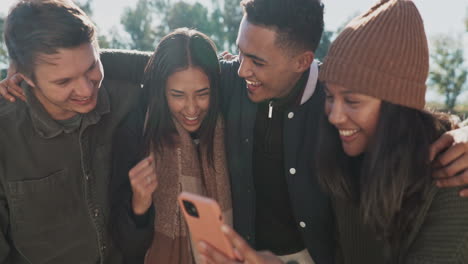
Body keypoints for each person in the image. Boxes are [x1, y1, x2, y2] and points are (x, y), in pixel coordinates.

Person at [55, 0, 468, 263]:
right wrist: (37, 67)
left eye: (256, 60)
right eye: (240, 51)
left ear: (303, 61)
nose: (239, 66)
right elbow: (163, 62)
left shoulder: (335, 97)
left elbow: (411, 120)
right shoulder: (234, 80)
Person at [198, 0, 468, 263]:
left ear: (398, 107)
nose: (334, 116)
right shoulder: (343, 161)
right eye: (329, 96)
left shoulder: (452, 180)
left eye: (352, 101)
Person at [0, 0, 154, 263]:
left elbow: (178, 65)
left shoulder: (126, 97)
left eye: (92, 67)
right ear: (24, 77)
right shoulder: (6, 134)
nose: (86, 90)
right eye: (64, 81)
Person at [111, 28, 232, 264]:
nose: (191, 108)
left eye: (202, 94)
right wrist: (139, 206)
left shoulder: (228, 116)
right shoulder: (138, 132)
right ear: (161, 91)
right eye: (177, 95)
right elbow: (127, 247)